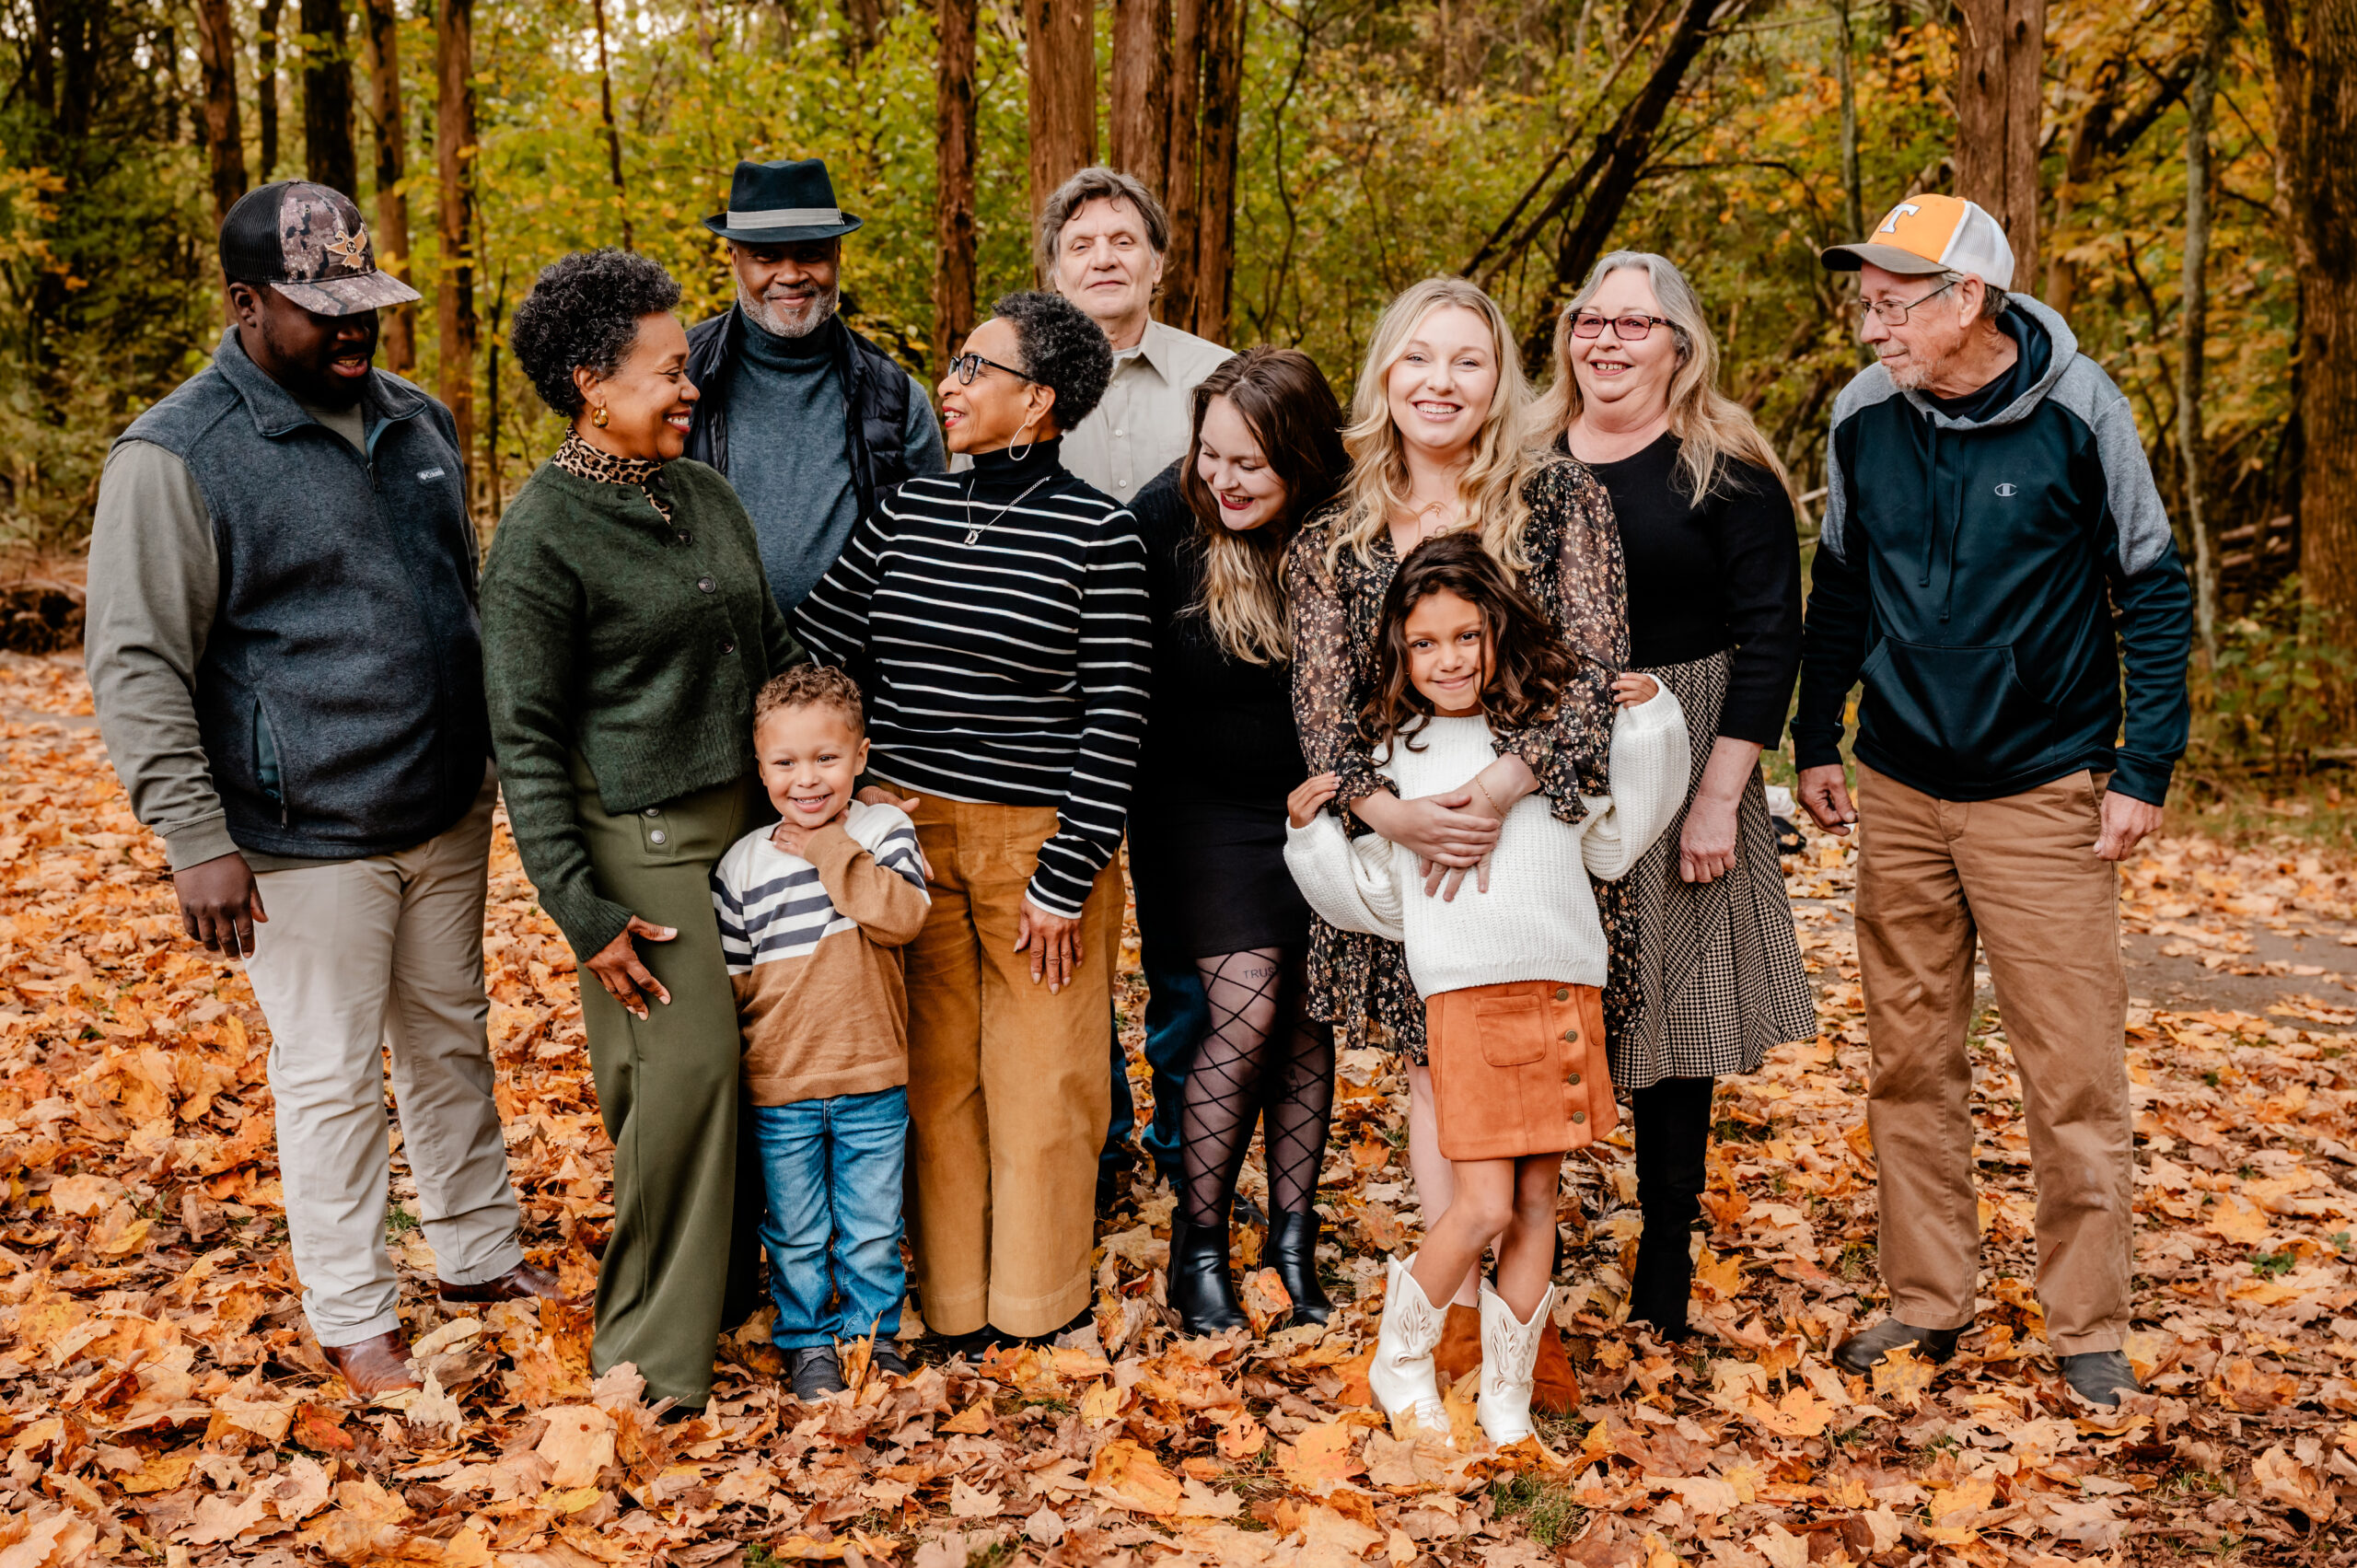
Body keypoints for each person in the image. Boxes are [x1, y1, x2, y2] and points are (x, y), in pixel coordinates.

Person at [87, 181, 560, 1402]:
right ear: (245, 305)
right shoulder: (174, 455)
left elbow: (456, 597)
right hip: (300, 836)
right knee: (332, 1072)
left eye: (368, 307)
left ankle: (476, 1252)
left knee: (450, 1043)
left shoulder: (419, 422)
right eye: (321, 311)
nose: (356, 332)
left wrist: (494, 764)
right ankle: (356, 1313)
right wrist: (194, 833)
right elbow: (136, 658)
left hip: (443, 806)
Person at [1794, 194, 2193, 1408]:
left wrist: (2143, 765)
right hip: (1903, 784)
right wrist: (1820, 736)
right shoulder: (1862, 417)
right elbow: (1844, 582)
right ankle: (1928, 1301)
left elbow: (2154, 587)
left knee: (2070, 1072)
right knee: (1909, 1065)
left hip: (2044, 792)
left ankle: (2090, 1322)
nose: (1869, 328)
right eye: (1862, 302)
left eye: (1890, 303)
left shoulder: (2083, 409)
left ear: (1967, 299)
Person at [1286, 275, 1622, 1400]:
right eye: (1418, 358)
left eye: (1468, 362)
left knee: (1525, 1116)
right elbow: (1326, 717)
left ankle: (1504, 1356)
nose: (1440, 382)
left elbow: (1593, 676)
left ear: (1501, 381)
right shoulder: (1332, 538)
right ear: (1384, 372)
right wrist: (1387, 810)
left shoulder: (1559, 502)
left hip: (1529, 858)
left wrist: (1504, 782)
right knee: (1438, 1087)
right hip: (1402, 857)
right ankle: (1457, 1330)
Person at [483, 249, 807, 1416]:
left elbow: (769, 656)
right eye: (668, 373)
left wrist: (825, 793)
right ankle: (647, 1359)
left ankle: (721, 1296)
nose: (690, 390)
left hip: (746, 834)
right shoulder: (541, 535)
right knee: (678, 1081)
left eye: (687, 371)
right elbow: (522, 738)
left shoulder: (701, 493)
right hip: (640, 847)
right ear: (590, 383)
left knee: (743, 1074)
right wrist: (581, 910)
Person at [797, 291, 1148, 1352]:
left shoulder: (1101, 531)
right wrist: (855, 783)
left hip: (1041, 846)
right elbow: (818, 643)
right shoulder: (904, 511)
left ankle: (1036, 1310)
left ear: (1037, 399)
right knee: (939, 1086)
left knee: (1046, 1085)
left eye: (971, 367)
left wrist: (1066, 869)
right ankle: (954, 1307)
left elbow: (1116, 715)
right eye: (952, 366)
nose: (946, 384)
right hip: (910, 842)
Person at [1285, 535, 1689, 1446]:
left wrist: (1655, 720)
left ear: (1497, 630)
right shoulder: (1395, 754)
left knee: (1539, 1199)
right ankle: (1402, 1355)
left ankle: (1506, 1398)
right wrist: (1311, 839)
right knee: (1483, 1205)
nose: (1449, 658)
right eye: (1424, 643)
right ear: (1399, 650)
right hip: (1466, 999)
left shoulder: (1540, 747)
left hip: (1560, 988)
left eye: (1466, 635)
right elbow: (1378, 902)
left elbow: (1618, 840)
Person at [1536, 251, 1817, 1340]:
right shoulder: (1526, 457)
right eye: (1590, 321)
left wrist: (1716, 795)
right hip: (1550, 755)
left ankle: (1663, 1256)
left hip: (1690, 747)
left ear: (1679, 344)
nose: (1607, 342)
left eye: (1634, 324)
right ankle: (1531, 1240)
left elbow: (1771, 635)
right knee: (1550, 994)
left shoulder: (1724, 467)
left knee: (1676, 1008)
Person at [1127, 348, 1350, 1334]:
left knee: (1307, 1019)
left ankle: (1293, 1241)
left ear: (1300, 461)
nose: (1222, 479)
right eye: (1210, 454)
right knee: (1248, 1005)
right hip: (1194, 808)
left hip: (1310, 806)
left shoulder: (1344, 528)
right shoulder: (1159, 520)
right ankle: (1200, 1242)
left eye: (1248, 464)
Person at [1037, 165, 1234, 1196]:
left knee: (1186, 944)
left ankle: (1188, 1146)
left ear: (1158, 260)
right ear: (1054, 270)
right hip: (1051, 710)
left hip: (1188, 707)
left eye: (1123, 241)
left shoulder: (1220, 378)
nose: (1104, 258)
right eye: (1082, 245)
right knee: (1066, 935)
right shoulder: (1014, 385)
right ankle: (1099, 1140)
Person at [713, 667, 930, 1399]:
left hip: (872, 1074)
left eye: (826, 759)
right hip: (782, 1086)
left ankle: (873, 1334)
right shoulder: (742, 865)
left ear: (861, 755)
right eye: (785, 762)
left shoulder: (881, 830)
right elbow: (738, 982)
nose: (807, 779)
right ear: (761, 766)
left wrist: (832, 847)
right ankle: (807, 1340)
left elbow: (901, 916)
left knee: (871, 1225)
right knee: (798, 1231)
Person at [685, 157, 946, 611]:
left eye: (810, 254)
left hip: (849, 671)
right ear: (733, 260)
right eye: (765, 257)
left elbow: (928, 560)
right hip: (713, 665)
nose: (790, 275)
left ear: (837, 256)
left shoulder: (897, 397)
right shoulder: (682, 376)